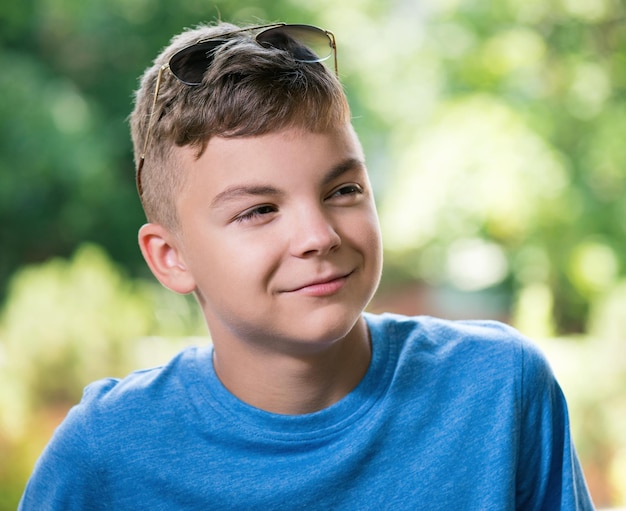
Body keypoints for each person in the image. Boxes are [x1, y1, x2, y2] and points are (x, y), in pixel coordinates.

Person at [19, 20, 595, 510]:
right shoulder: (105, 453)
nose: (318, 236)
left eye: (343, 190)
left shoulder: (499, 388)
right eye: (260, 210)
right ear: (171, 258)